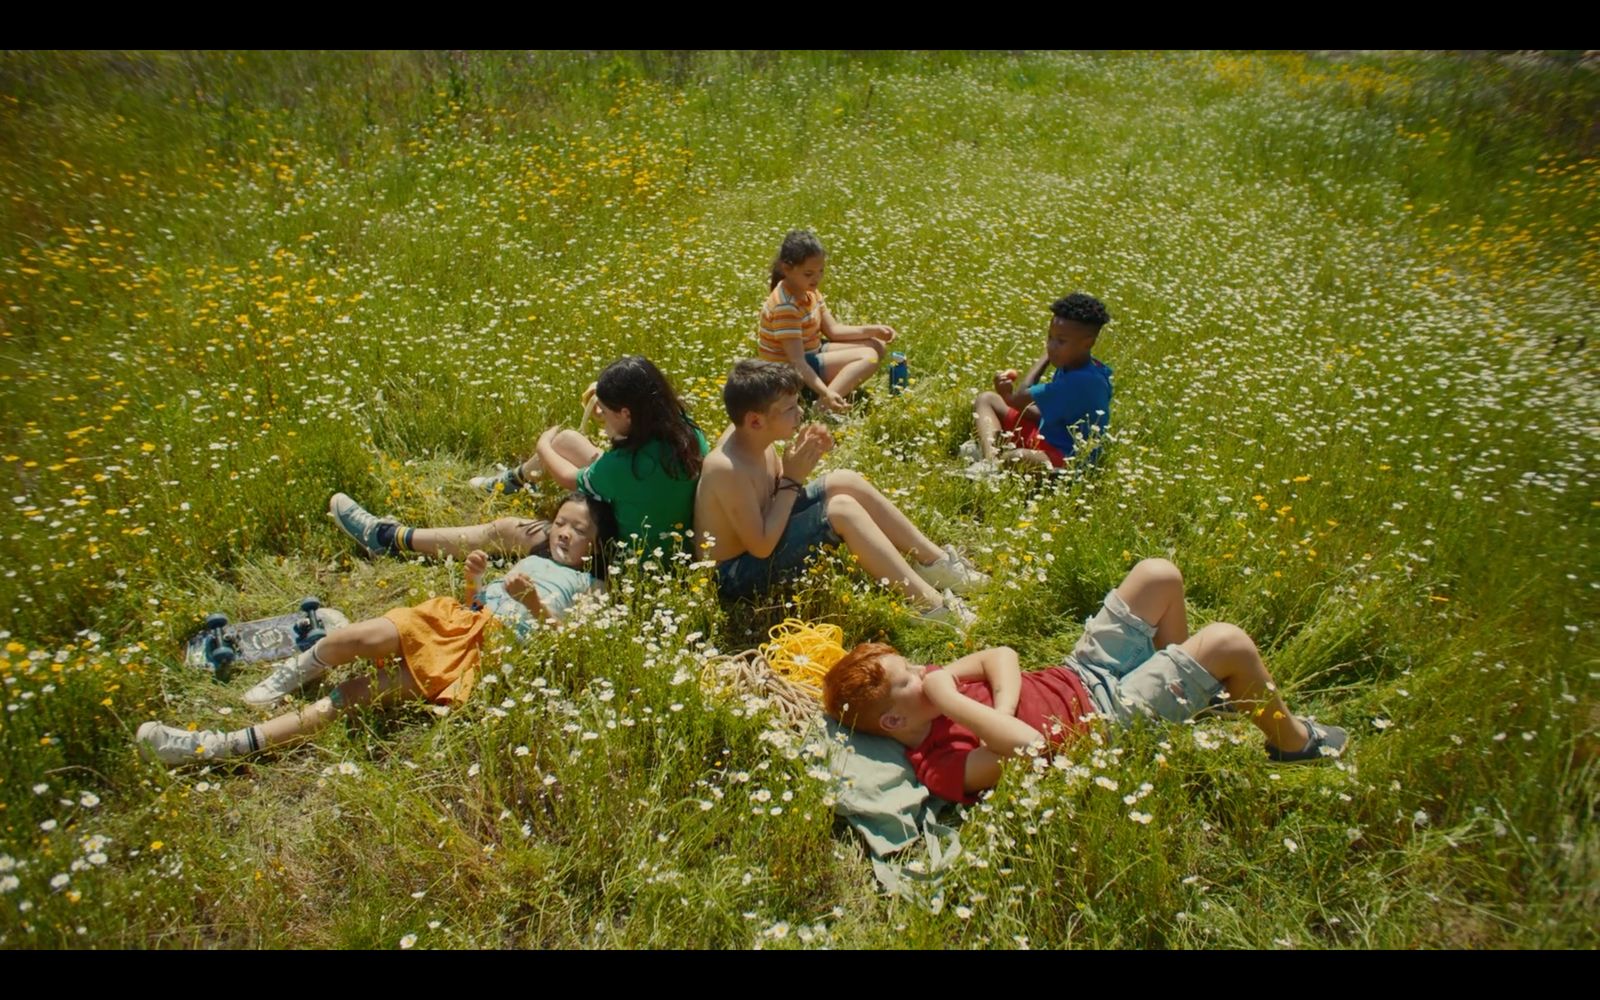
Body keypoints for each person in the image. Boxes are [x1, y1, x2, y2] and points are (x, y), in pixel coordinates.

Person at [135, 493, 615, 766]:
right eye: (559, 522)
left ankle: (219, 746)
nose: (564, 533)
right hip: (451, 619)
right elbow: (475, 602)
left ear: (595, 547)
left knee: (352, 695)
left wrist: (531, 602)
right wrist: (474, 580)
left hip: (477, 658)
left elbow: (567, 642)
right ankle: (296, 670)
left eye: (579, 530)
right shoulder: (529, 557)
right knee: (348, 640)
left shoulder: (591, 585)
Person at [822, 558, 1349, 803]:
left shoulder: (929, 693)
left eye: (913, 666)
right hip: (1108, 718)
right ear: (895, 719)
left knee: (1157, 574)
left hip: (1081, 672)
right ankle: (1294, 744)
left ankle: (1191, 691)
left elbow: (1001, 655)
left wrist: (994, 710)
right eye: (910, 678)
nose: (924, 672)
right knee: (1227, 640)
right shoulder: (940, 765)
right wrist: (962, 708)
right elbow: (1029, 750)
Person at [694, 360, 986, 626]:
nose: (801, 413)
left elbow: (771, 498)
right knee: (841, 509)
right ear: (756, 421)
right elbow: (760, 546)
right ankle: (930, 607)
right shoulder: (726, 468)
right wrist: (793, 478)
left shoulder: (755, 439)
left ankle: (935, 564)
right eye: (790, 409)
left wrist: (793, 465)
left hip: (762, 540)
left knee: (843, 479)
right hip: (735, 575)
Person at [334, 356, 707, 558]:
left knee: (505, 530)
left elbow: (565, 477)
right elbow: (614, 455)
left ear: (627, 413)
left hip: (625, 555)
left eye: (608, 412)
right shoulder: (687, 432)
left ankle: (391, 537)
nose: (604, 420)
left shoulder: (625, 467)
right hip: (665, 531)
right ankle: (514, 480)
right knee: (572, 441)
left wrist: (544, 443)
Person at [967, 293, 1113, 475]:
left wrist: (1045, 358)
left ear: (1088, 343)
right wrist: (1010, 400)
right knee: (986, 399)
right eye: (1050, 337)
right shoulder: (1077, 365)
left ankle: (993, 463)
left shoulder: (1082, 380)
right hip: (1050, 434)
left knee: (1017, 457)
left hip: (1070, 458)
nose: (1051, 345)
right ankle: (990, 462)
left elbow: (1020, 398)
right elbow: (1046, 414)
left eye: (1061, 341)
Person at [757, 230, 896, 413]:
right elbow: (797, 362)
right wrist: (826, 393)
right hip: (788, 370)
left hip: (811, 351)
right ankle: (822, 407)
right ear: (786, 268)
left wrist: (873, 330)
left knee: (877, 345)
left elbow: (834, 331)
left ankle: (830, 392)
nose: (817, 278)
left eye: (820, 271)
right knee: (868, 357)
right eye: (809, 273)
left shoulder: (809, 291)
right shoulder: (786, 307)